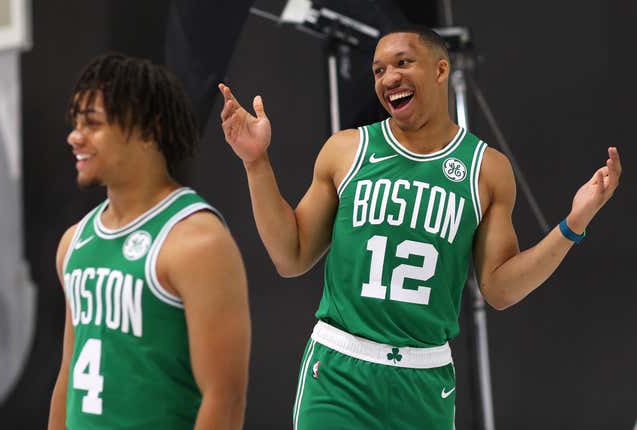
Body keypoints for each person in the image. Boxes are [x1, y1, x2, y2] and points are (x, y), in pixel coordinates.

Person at [219, 26, 621, 429]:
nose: (388, 77)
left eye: (402, 63)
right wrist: (256, 163)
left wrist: (572, 225)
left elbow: (500, 289)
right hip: (339, 372)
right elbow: (291, 256)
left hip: (425, 379)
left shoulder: (486, 169)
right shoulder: (346, 150)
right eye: (378, 70)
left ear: (440, 70)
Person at [48, 53, 250, 430]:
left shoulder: (198, 241)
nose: (75, 136)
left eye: (92, 123)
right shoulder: (73, 242)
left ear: (148, 130)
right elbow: (68, 376)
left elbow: (224, 399)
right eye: (75, 123)